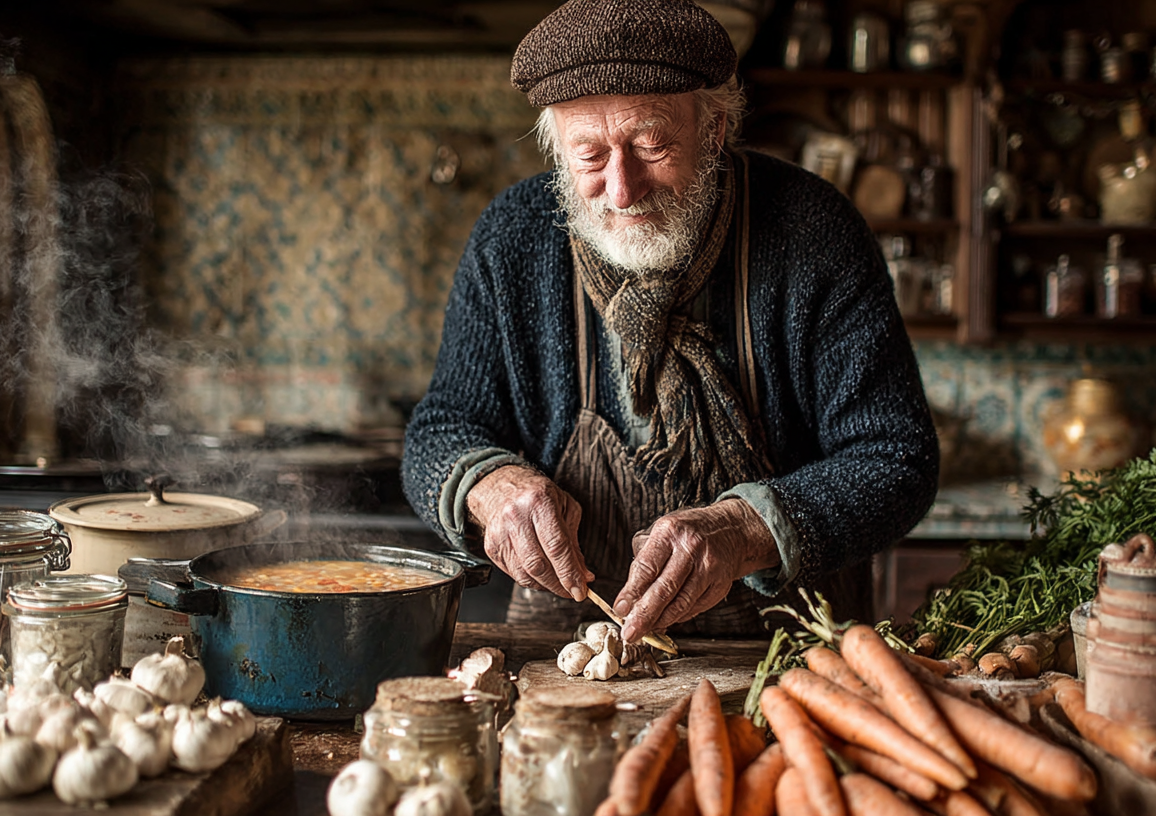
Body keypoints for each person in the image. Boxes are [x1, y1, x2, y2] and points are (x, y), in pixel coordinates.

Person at [401, 0, 938, 641]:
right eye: (589, 155)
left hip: (791, 649)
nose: (622, 189)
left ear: (713, 128)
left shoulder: (815, 230)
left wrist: (748, 528)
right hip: (568, 644)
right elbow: (439, 430)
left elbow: (896, 458)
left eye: (651, 144)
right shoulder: (512, 238)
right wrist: (491, 486)